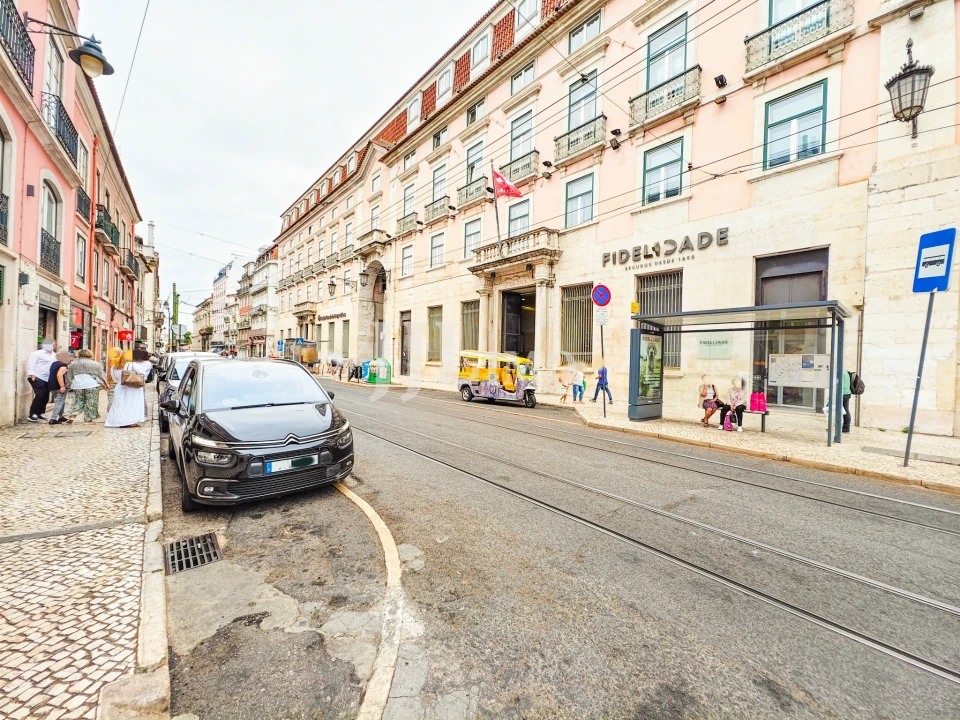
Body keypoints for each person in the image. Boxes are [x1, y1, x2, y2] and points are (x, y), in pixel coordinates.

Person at [105, 349, 152, 428]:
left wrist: (120, 381)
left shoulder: (115, 366)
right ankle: (131, 421)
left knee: (119, 405)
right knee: (133, 404)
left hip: (120, 386)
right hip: (133, 387)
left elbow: (114, 378)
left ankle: (119, 421)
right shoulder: (133, 365)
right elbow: (143, 374)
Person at [66, 349, 108, 423]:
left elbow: (69, 375)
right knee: (91, 402)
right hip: (91, 385)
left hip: (77, 385)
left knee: (77, 401)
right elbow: (102, 374)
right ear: (89, 354)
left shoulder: (73, 364)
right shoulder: (95, 364)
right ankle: (88, 419)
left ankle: (72, 416)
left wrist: (69, 384)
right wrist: (105, 383)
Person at [26, 339, 57, 422]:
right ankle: (33, 414)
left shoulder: (54, 355)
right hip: (37, 377)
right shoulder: (37, 354)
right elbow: (31, 364)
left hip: (48, 378)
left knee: (46, 396)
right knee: (40, 395)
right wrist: (32, 375)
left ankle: (41, 412)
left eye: (53, 345)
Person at [47, 351, 73, 424]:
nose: (69, 358)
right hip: (59, 386)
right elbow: (59, 375)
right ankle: (53, 418)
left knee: (61, 401)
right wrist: (62, 386)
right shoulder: (63, 365)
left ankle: (61, 417)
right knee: (59, 401)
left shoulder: (54, 364)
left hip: (52, 385)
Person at [842, 369, 852, 434]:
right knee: (846, 410)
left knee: (831, 408)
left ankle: (845, 427)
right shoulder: (845, 371)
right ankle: (846, 427)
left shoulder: (840, 371)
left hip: (842, 393)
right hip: (847, 393)